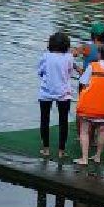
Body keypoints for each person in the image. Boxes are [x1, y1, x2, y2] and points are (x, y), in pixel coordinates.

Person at [74, 42, 104, 168]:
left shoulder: (93, 66)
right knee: (102, 129)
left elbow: (83, 82)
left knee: (84, 130)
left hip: (90, 106)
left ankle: (84, 158)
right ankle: (98, 156)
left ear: (100, 54)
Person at [36, 31, 75, 159]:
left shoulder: (46, 56)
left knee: (44, 119)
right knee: (63, 121)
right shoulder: (69, 57)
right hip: (64, 93)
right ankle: (61, 150)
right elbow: (69, 73)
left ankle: (46, 149)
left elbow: (40, 72)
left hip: (46, 91)